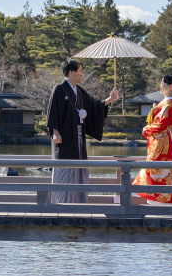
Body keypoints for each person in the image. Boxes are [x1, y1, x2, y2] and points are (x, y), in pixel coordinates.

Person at [47, 58, 119, 203]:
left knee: (80, 168)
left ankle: (78, 202)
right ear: (71, 72)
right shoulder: (59, 89)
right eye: (79, 71)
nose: (82, 74)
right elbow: (53, 112)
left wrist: (110, 100)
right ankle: (61, 203)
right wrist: (55, 132)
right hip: (65, 138)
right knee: (65, 168)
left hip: (79, 139)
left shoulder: (79, 91)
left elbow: (94, 105)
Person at [133, 75, 172, 204]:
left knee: (160, 170)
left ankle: (162, 199)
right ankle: (159, 198)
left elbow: (163, 124)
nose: (160, 85)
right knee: (159, 170)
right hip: (159, 143)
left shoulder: (170, 104)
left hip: (163, 145)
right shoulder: (167, 103)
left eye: (162, 83)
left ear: (170, 86)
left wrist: (147, 129)